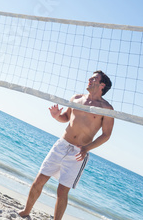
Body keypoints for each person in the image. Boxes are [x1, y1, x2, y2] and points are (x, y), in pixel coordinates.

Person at [18, 70, 114, 220]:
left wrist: (86, 148)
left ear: (102, 85)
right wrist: (57, 116)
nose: (89, 78)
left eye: (94, 78)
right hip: (61, 145)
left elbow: (106, 134)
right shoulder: (75, 98)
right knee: (39, 181)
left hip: (78, 152)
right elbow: (66, 118)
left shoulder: (106, 109)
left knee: (62, 192)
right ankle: (26, 211)